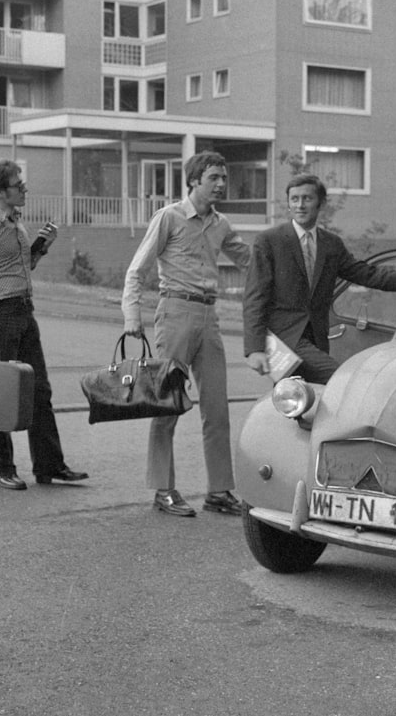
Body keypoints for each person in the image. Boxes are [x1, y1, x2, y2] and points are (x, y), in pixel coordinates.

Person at [122, 150, 251, 517]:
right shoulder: (169, 217)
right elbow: (137, 270)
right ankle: (163, 490)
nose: (221, 185)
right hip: (175, 312)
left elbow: (251, 262)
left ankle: (219, 491)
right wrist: (133, 316)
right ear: (194, 180)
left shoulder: (221, 224)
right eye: (214, 178)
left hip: (209, 317)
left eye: (224, 178)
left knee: (217, 408)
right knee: (167, 405)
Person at [0, 159, 88, 491]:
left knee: (40, 390)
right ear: (1, 191)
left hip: (23, 310)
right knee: (1, 394)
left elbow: (18, 268)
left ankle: (49, 464)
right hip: (2, 314)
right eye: (19, 184)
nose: (25, 189)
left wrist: (40, 250)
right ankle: (0, 467)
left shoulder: (15, 222)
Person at [243, 173, 396, 385]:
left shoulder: (331, 244)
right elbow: (254, 297)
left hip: (317, 339)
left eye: (307, 199)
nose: (300, 205)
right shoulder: (269, 241)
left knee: (298, 403)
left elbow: (367, 274)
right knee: (341, 381)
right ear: (288, 204)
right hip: (284, 342)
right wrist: (254, 348)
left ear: (321, 203)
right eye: (294, 199)